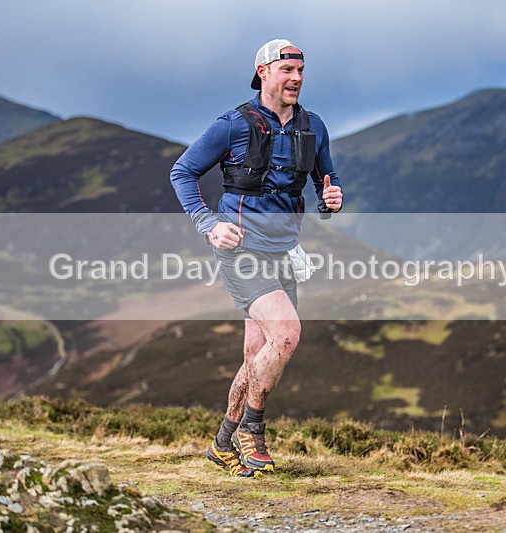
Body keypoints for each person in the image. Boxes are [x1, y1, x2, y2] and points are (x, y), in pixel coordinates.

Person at [170, 39, 343, 477]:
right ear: (263, 72)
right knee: (286, 334)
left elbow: (327, 177)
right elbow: (182, 172)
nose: (297, 78)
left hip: (284, 251)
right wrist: (208, 223)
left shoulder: (314, 126)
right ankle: (254, 430)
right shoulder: (232, 125)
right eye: (287, 70)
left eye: (301, 70)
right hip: (240, 249)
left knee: (257, 357)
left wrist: (331, 196)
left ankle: (223, 443)